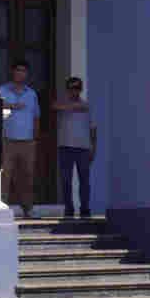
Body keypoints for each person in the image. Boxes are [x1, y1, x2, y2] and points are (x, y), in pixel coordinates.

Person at [0, 60, 41, 219]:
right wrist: (9, 105)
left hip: (27, 141)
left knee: (27, 175)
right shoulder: (1, 91)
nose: (20, 73)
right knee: (5, 175)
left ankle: (28, 208)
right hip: (7, 140)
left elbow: (36, 117)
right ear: (12, 72)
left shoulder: (31, 94)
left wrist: (35, 138)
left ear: (27, 74)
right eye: (18, 70)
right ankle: (2, 206)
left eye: (23, 71)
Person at [51, 76, 96, 219]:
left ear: (80, 89)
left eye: (76, 88)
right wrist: (74, 107)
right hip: (65, 147)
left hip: (83, 148)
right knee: (66, 180)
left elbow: (93, 128)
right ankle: (69, 208)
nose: (73, 91)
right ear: (67, 90)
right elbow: (54, 106)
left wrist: (93, 148)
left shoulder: (87, 106)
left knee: (84, 181)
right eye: (71, 88)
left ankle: (85, 209)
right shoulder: (61, 105)